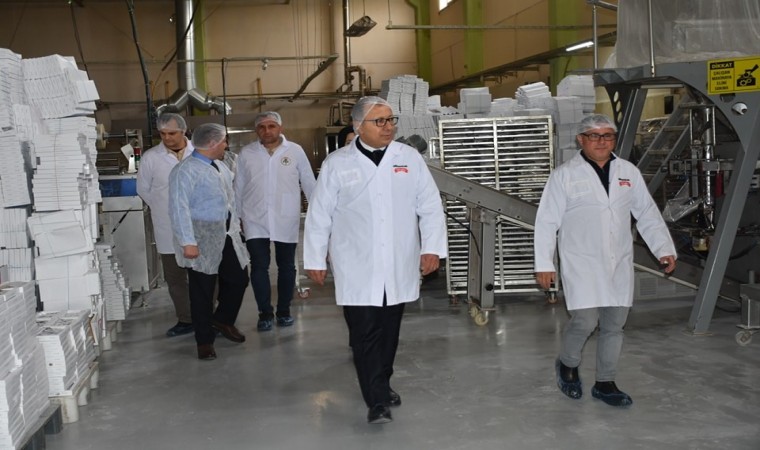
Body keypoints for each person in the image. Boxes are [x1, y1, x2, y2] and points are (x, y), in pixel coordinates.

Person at [303, 96, 447, 424]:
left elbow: (429, 205)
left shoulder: (408, 157)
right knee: (365, 330)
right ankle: (377, 399)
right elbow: (319, 214)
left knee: (389, 329)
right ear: (358, 126)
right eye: (379, 121)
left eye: (390, 120)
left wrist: (432, 248)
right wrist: (315, 257)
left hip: (398, 258)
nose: (388, 127)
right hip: (356, 261)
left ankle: (381, 380)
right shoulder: (338, 163)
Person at [533, 114, 677, 407]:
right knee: (585, 321)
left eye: (607, 135)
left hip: (618, 261)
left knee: (614, 325)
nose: (601, 141)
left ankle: (605, 383)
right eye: (594, 135)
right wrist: (544, 264)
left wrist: (663, 248)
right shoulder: (564, 175)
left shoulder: (628, 172)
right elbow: (546, 221)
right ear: (581, 139)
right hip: (581, 261)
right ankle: (568, 363)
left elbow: (646, 213)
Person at [168, 123, 250, 360]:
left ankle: (223, 320)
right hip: (200, 237)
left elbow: (229, 201)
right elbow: (178, 208)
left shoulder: (219, 166)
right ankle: (204, 341)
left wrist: (237, 224)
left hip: (227, 233)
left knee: (239, 279)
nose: (226, 145)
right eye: (224, 141)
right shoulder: (185, 171)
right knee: (202, 290)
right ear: (213, 143)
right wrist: (188, 242)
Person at [235, 111, 316, 331]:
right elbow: (238, 186)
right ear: (256, 130)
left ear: (280, 128)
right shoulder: (247, 153)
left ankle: (284, 311)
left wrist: (317, 212)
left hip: (285, 216)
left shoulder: (295, 151)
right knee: (259, 267)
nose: (267, 131)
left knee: (287, 266)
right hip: (254, 217)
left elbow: (308, 182)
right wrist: (237, 216)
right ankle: (264, 314)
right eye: (262, 127)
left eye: (272, 126)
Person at [136, 113, 194, 337]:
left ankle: (208, 316)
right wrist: (163, 207)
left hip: (198, 225)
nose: (167, 138)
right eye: (162, 134)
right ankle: (186, 319)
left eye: (172, 133)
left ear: (183, 131)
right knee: (175, 276)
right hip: (167, 225)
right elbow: (143, 189)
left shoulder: (198, 152)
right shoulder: (151, 157)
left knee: (204, 274)